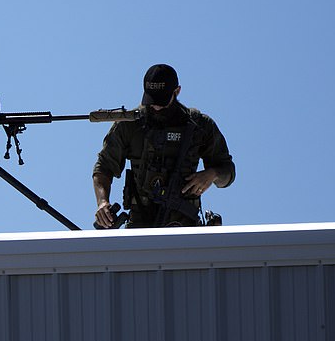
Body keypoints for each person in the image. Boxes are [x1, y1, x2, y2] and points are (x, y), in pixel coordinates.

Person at [93, 64, 235, 228]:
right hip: (141, 224)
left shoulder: (199, 125)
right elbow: (104, 167)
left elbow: (228, 172)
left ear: (177, 91)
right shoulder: (129, 125)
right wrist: (102, 202)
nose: (156, 106)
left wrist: (211, 174)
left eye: (161, 100)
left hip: (185, 225)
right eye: (152, 99)